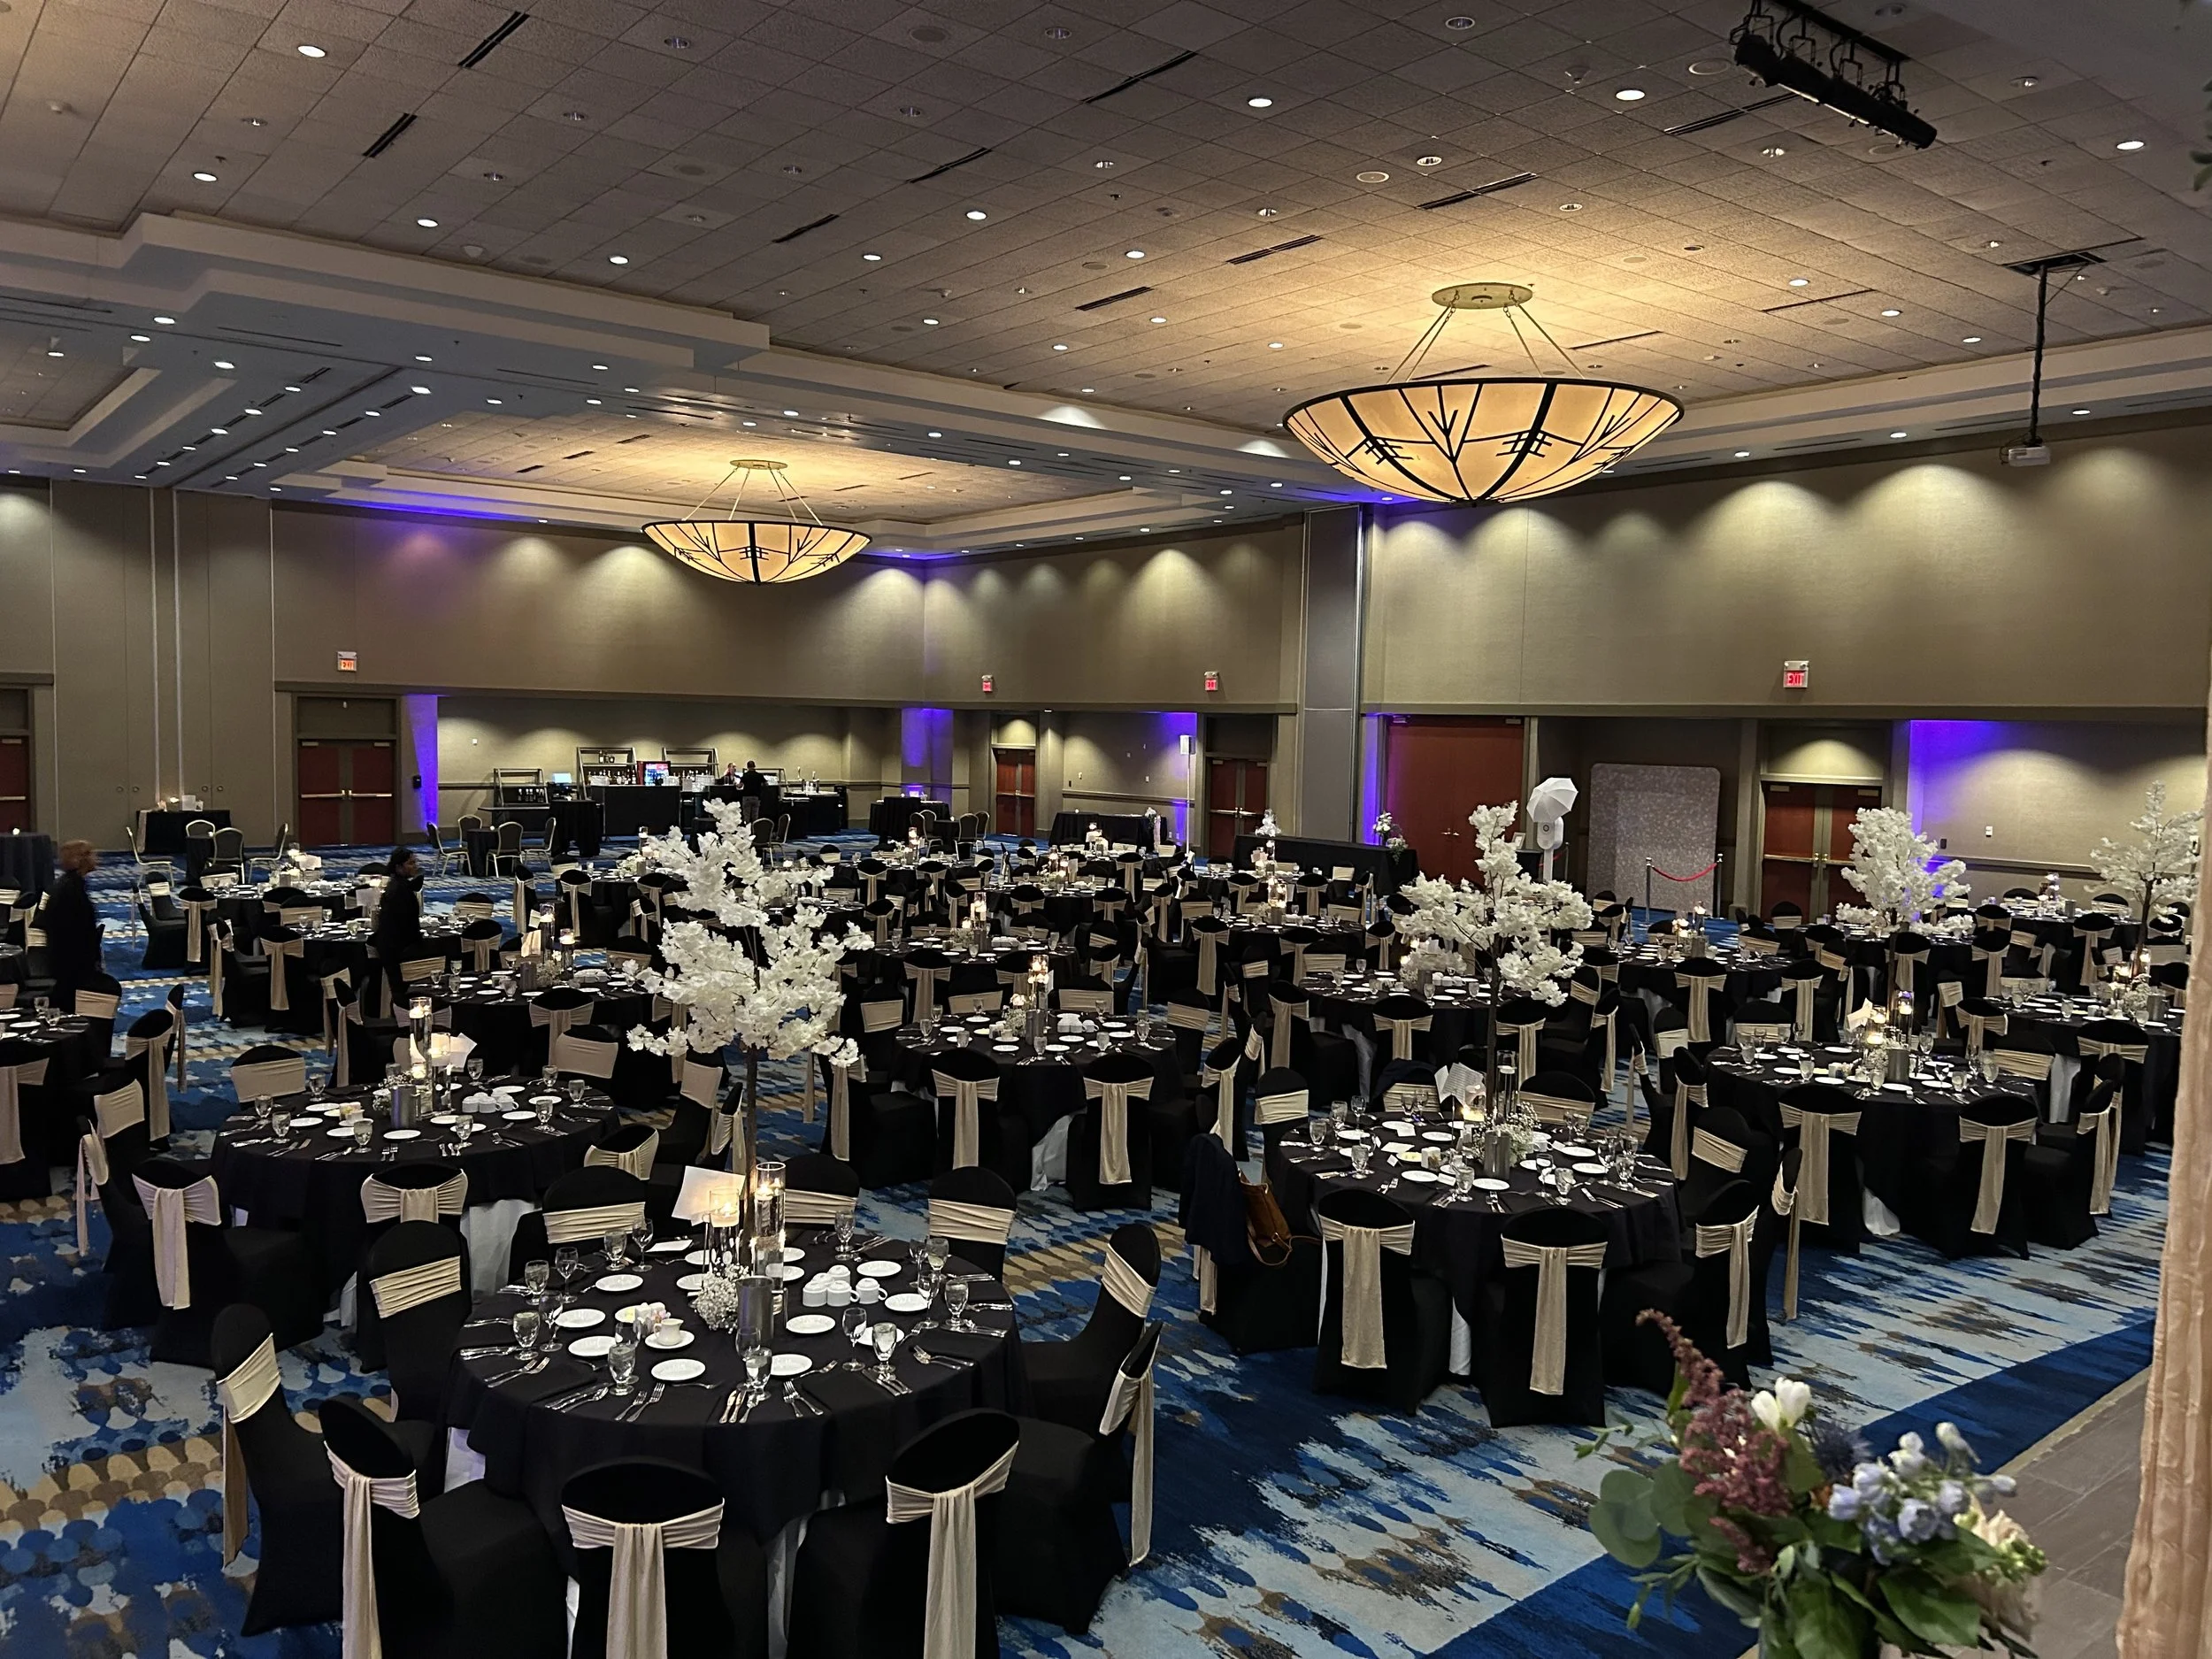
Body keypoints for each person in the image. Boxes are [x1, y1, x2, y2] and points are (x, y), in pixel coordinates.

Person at [44, 840, 103, 1011]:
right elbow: (72, 932)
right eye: (91, 854)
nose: (96, 858)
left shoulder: (72, 885)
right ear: (79, 859)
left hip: (69, 960)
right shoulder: (70, 890)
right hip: (71, 964)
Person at [373, 845, 425, 1009]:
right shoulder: (399, 891)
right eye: (410, 863)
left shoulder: (398, 886)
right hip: (397, 949)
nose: (415, 866)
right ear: (398, 867)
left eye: (415, 862)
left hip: (393, 944)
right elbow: (404, 927)